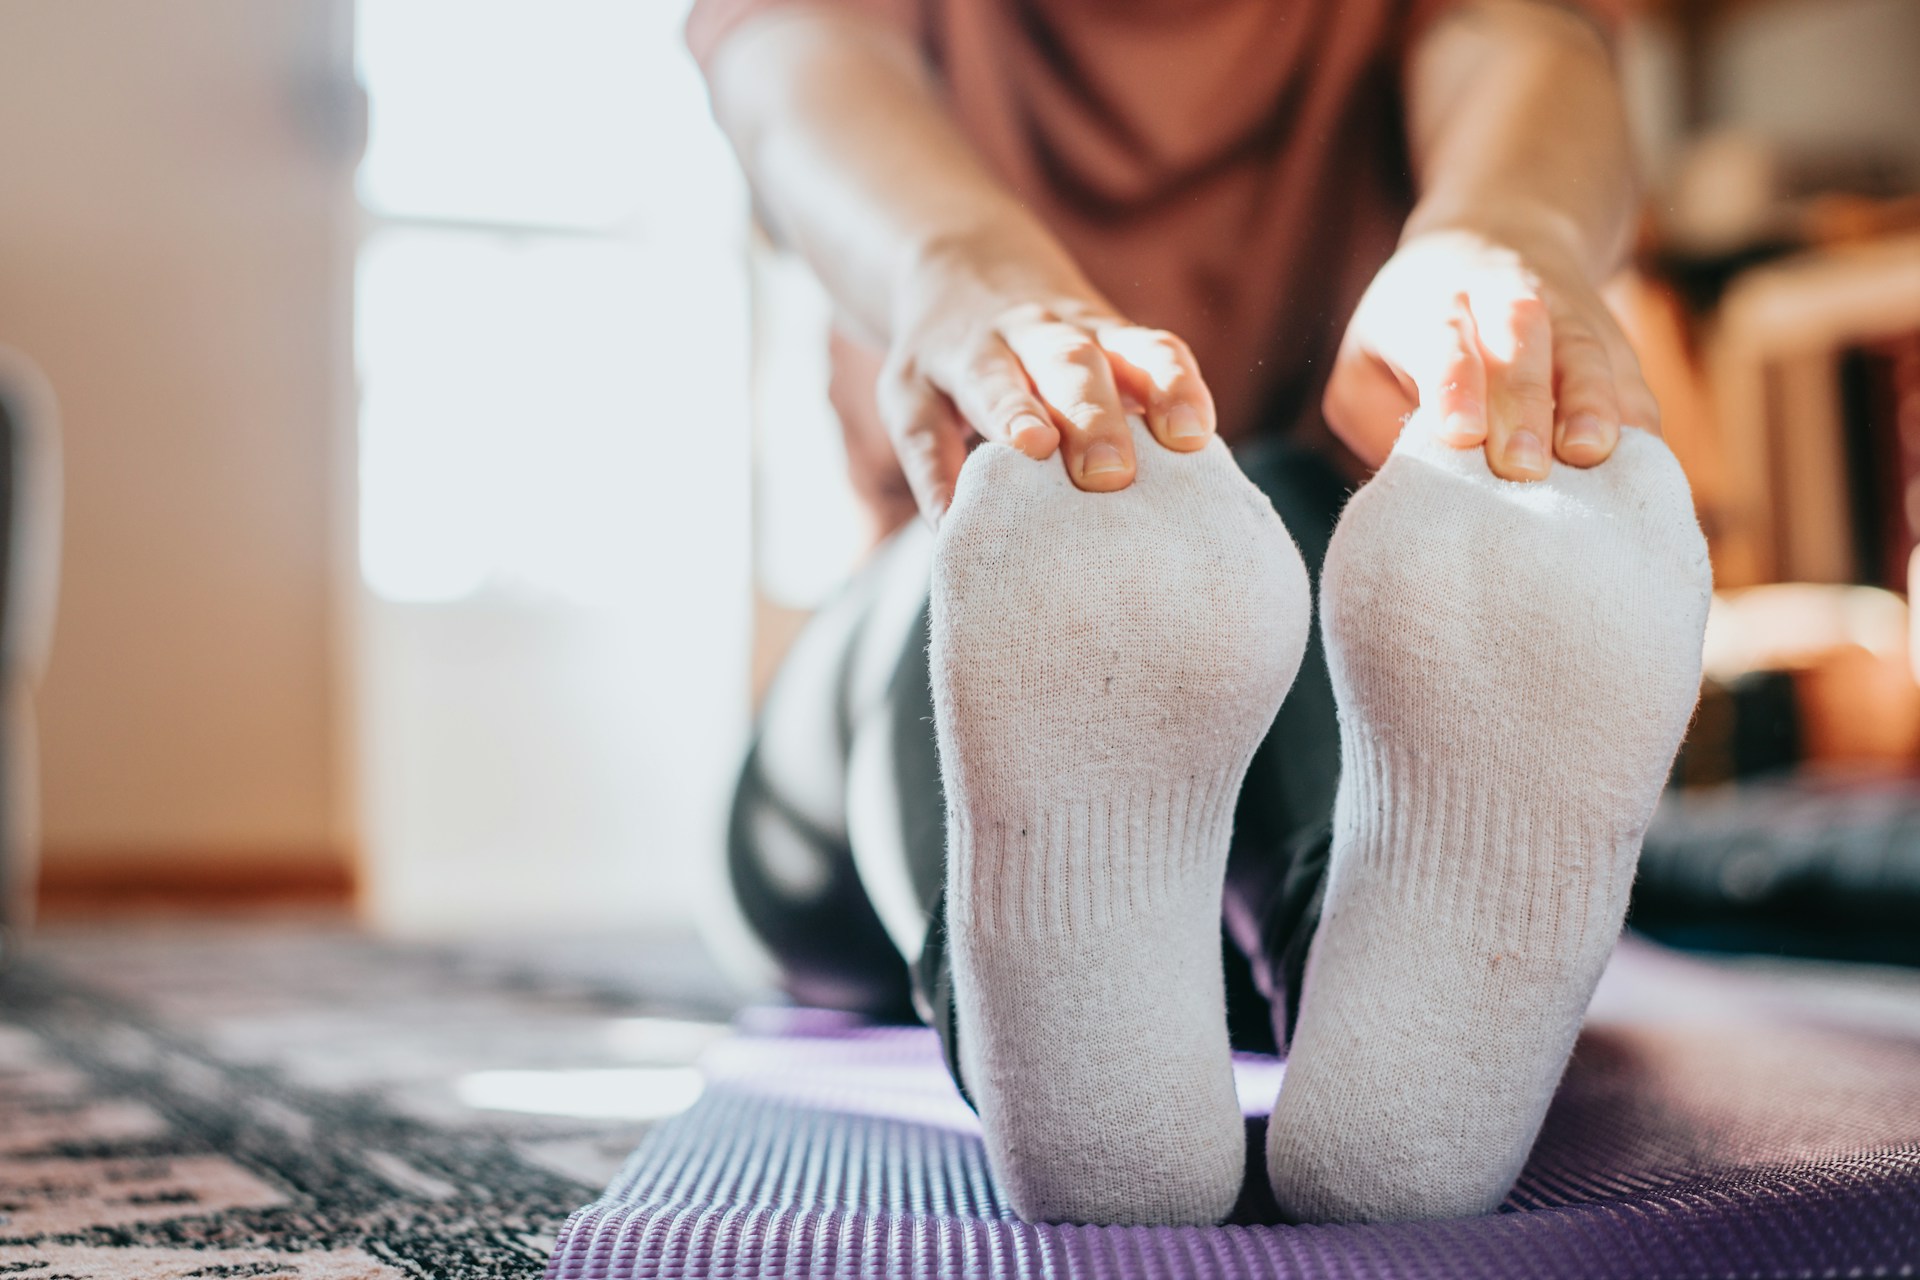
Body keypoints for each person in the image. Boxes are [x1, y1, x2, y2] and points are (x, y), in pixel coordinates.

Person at [694, 0, 1712, 1228]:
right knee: (996, 534)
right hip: (920, 711)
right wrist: (958, 264)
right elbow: (795, 64)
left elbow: (1527, 36)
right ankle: (1263, 977)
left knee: (1252, 511)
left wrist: (1505, 234)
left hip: (1327, 620)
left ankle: (1320, 999)